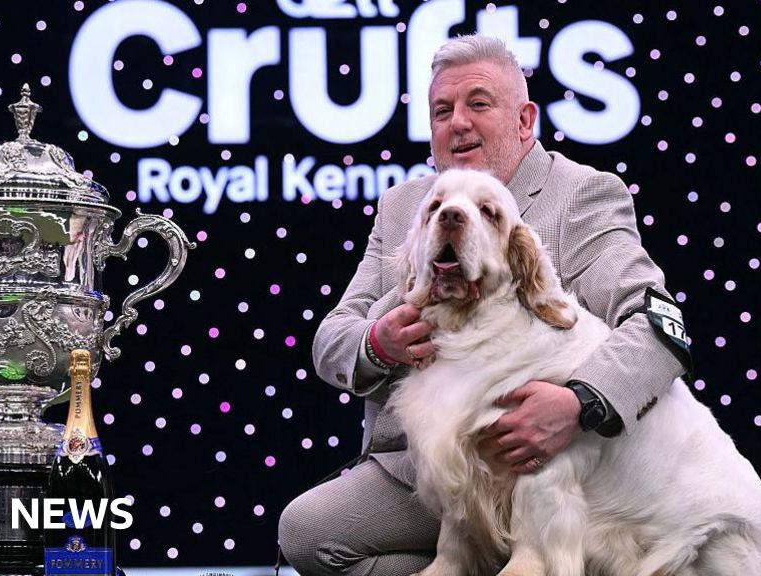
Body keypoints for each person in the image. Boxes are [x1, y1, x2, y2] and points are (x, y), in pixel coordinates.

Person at [278, 34, 689, 575]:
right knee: (307, 534)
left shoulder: (581, 195)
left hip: (546, 463)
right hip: (426, 468)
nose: (458, 123)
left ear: (524, 121)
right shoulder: (405, 206)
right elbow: (333, 338)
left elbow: (659, 329)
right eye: (441, 111)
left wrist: (577, 404)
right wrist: (379, 343)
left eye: (478, 103)